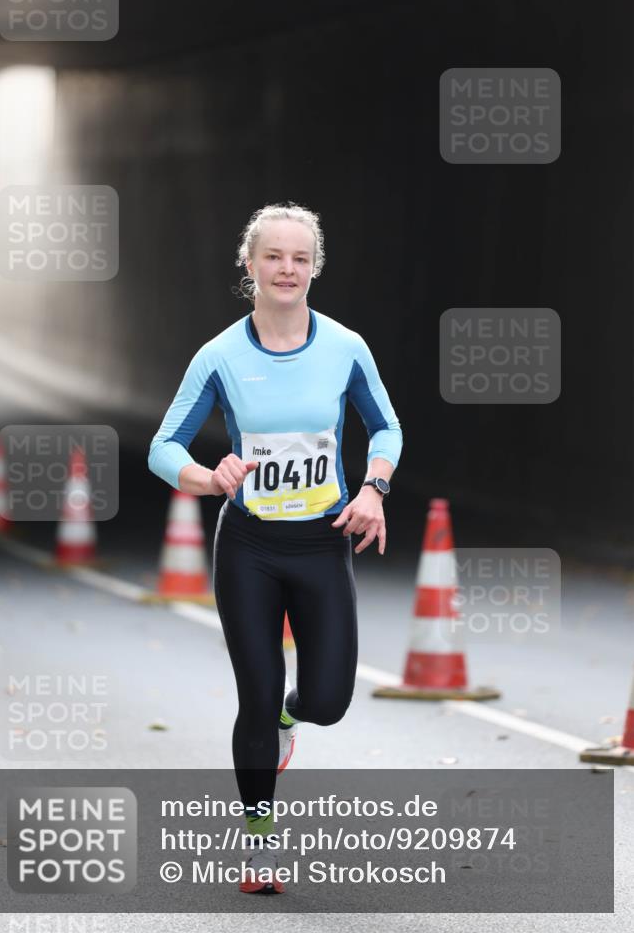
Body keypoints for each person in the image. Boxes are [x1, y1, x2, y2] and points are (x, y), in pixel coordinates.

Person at [148, 202, 403, 894]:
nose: (286, 268)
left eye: (299, 257)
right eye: (273, 256)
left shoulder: (345, 347)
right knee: (254, 697)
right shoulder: (221, 356)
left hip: (322, 545)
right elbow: (161, 447)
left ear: (313, 267)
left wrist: (373, 489)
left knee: (326, 700)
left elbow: (386, 429)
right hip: (251, 548)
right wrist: (209, 476)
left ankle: (296, 714)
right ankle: (259, 847)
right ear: (250, 265)